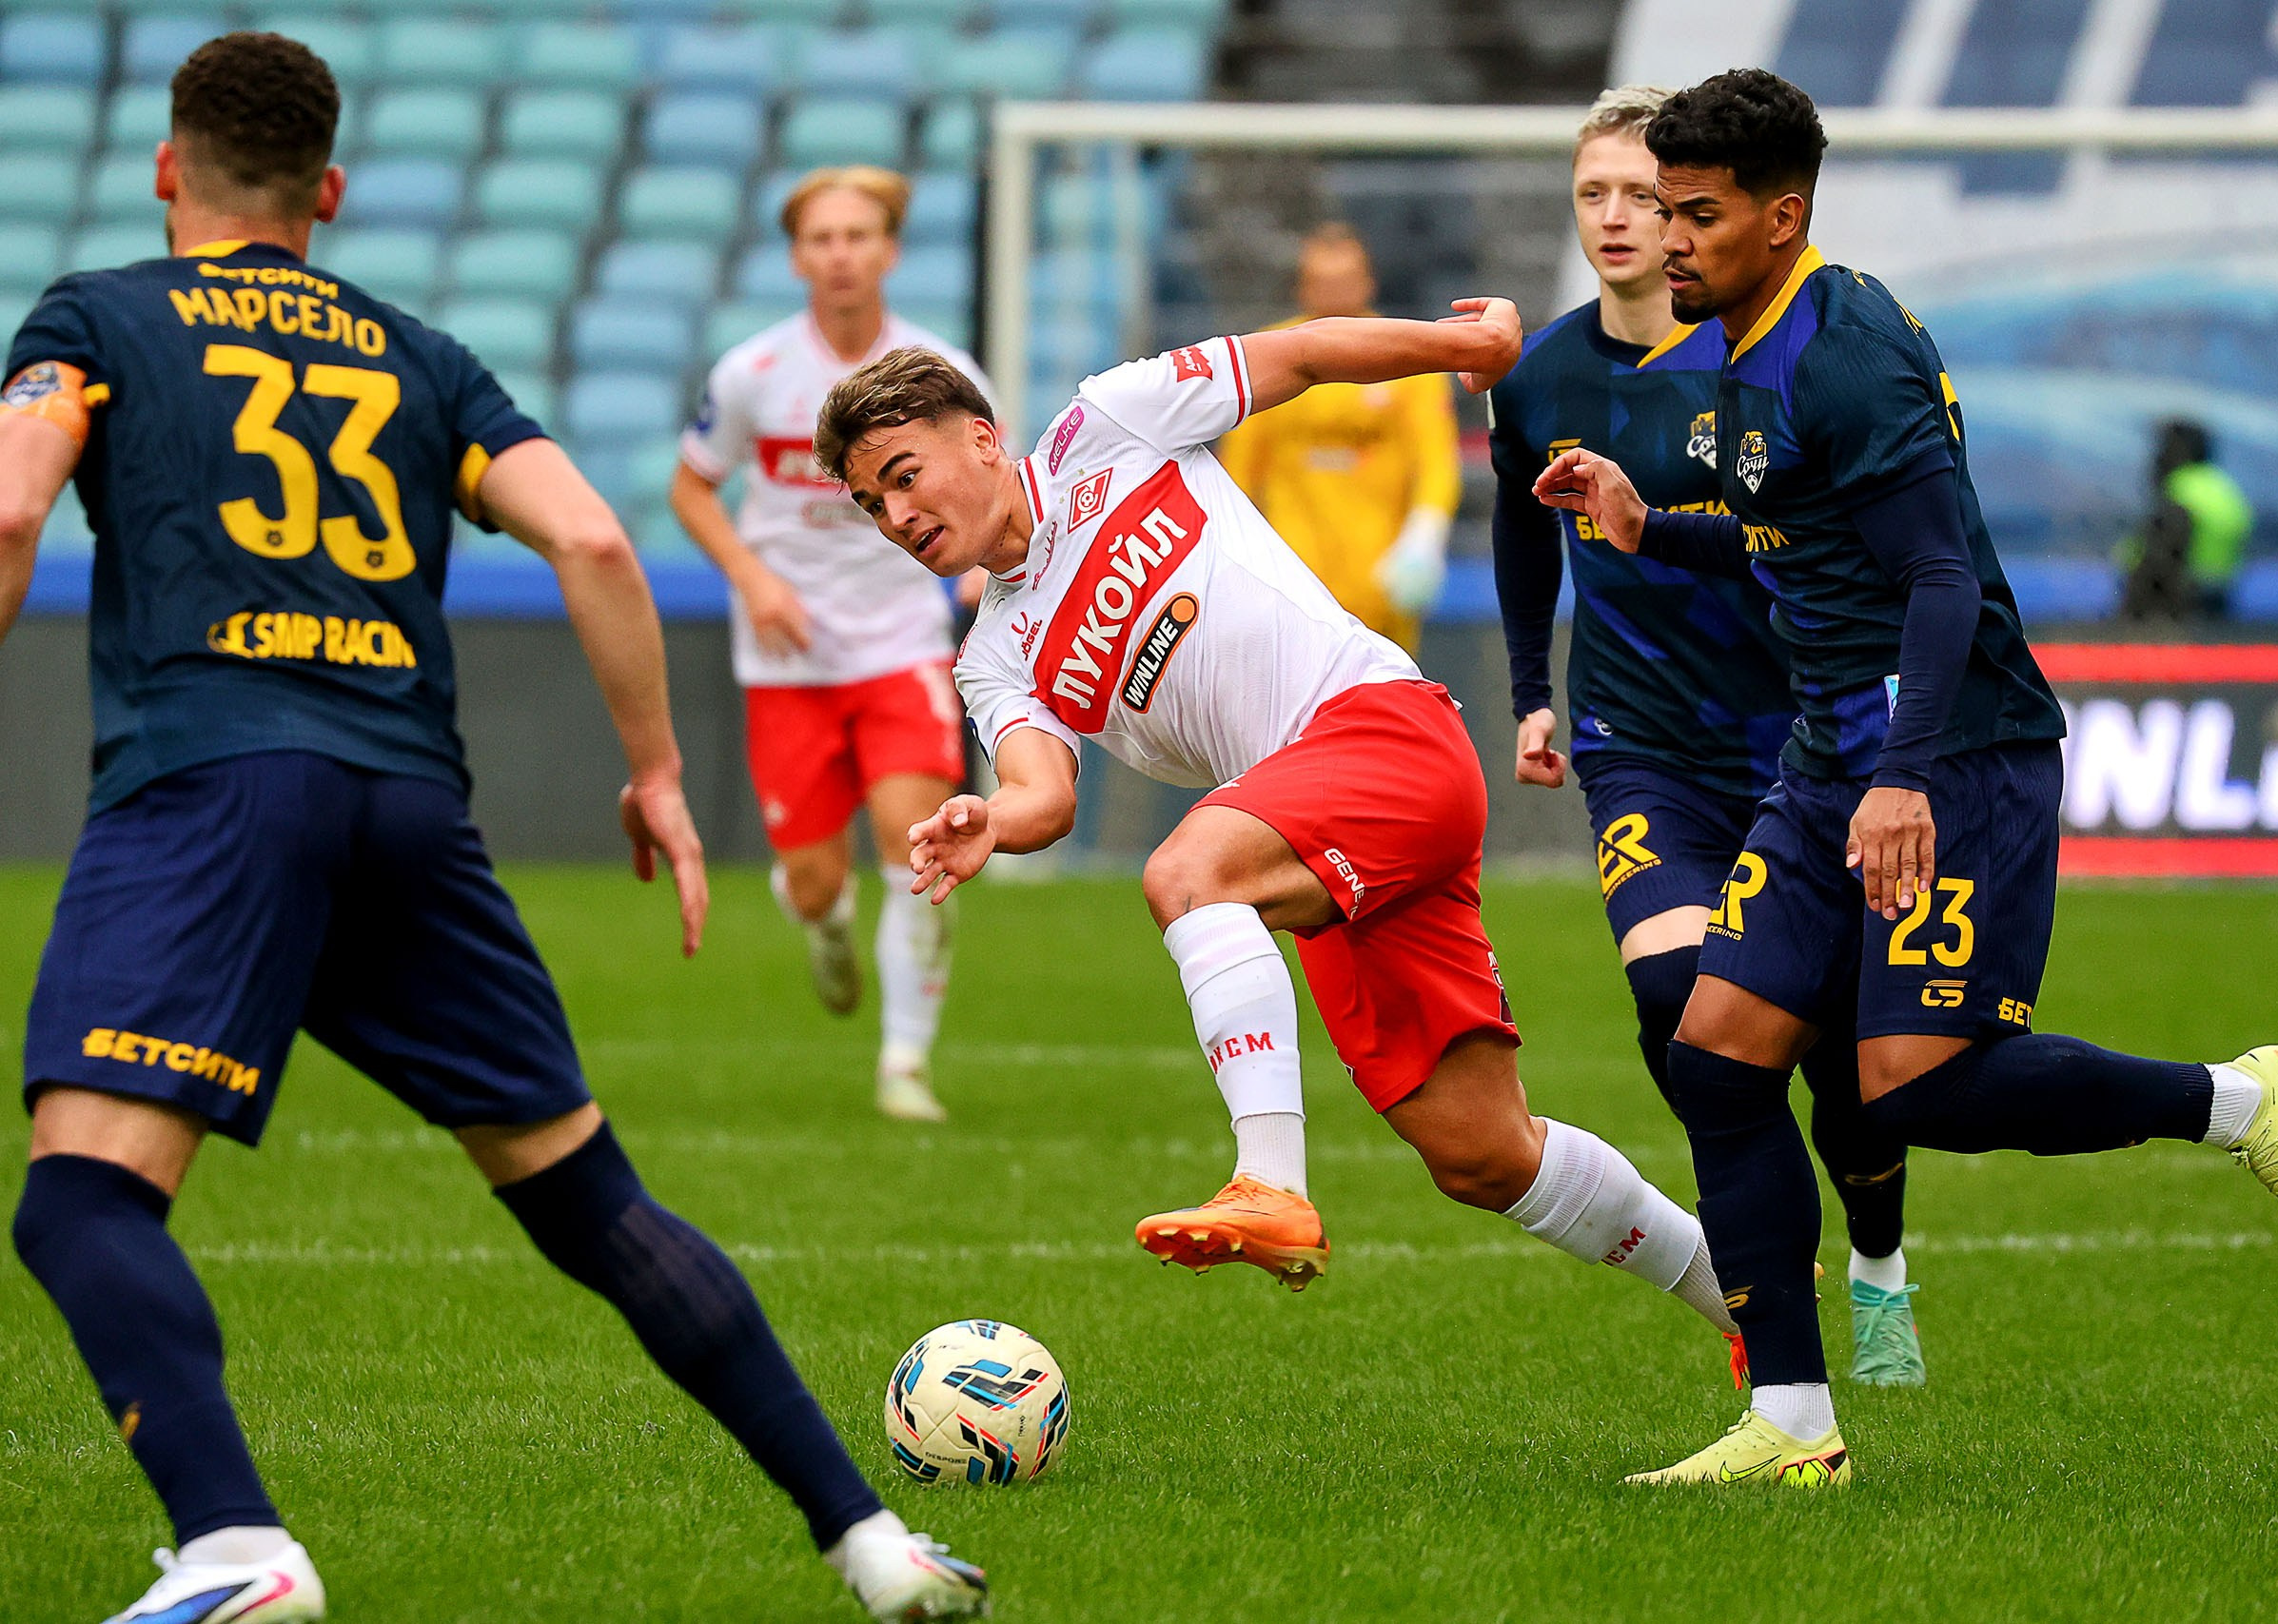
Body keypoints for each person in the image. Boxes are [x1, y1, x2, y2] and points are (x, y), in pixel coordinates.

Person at [0, 35, 983, 1621]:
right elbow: (592, 536)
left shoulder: (95, 319)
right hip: (405, 803)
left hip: (214, 781)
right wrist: (657, 772)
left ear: (168, 169)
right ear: (328, 192)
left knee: (86, 1196)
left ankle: (237, 1545)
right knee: (592, 1202)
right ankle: (874, 1541)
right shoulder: (420, 355)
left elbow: (8, 506)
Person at [1535, 68, 2278, 1487]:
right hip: (1828, 756)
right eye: (1663, 210)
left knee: (1916, 1085)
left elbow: (1938, 579)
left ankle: (2239, 1101)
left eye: (1697, 215)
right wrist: (1645, 523)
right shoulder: (1743, 335)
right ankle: (1794, 1424)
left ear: (1781, 215)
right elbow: (1790, 540)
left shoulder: (1846, 352)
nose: (1669, 239)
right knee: (1715, 1053)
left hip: (1954, 753)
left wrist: (1906, 777)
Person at [814, 305, 1753, 1365]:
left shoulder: (1106, 423)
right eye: (872, 504)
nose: (896, 515)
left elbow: (1298, 355)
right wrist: (991, 818)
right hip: (1316, 826)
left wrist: (1460, 350)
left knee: (1187, 873)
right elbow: (1043, 793)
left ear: (982, 438)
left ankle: (1269, 1180)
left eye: (903, 476)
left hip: (1379, 731)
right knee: (1484, 1154)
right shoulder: (993, 653)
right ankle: (1746, 1296)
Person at [1491, 85, 1922, 1388]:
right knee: (1676, 1000)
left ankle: (1879, 1256)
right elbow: (1520, 526)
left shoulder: (1757, 358)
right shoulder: (1539, 376)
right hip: (1640, 740)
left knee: (1846, 1060)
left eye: (1644, 196)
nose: (1620, 219)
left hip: (1802, 738)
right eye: (1594, 195)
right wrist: (1530, 688)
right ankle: (1770, 1281)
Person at [671, 166, 996, 1124]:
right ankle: (824, 922)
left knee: (918, 849)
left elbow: (991, 477)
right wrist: (756, 579)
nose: (841, 254)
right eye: (822, 238)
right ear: (797, 258)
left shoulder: (939, 374)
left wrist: (977, 566)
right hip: (788, 656)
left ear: (889, 250)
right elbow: (692, 487)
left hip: (901, 643)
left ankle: (904, 1063)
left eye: (858, 235)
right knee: (814, 882)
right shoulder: (753, 373)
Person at [1217, 223, 1459, 655]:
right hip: (1290, 580)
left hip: (1382, 577)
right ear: (1302, 288)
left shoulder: (1410, 355)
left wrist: (1424, 537)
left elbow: (1435, 460)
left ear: (1368, 283)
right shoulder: (1263, 357)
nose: (1334, 295)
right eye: (1322, 283)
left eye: (1344, 282)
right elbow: (1236, 475)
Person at [2117, 417, 2251, 622]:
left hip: (2180, 602)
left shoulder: (2182, 490)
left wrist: (2130, 614)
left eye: (2162, 449)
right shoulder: (2224, 488)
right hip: (2219, 597)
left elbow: (2159, 560)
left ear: (2175, 452)